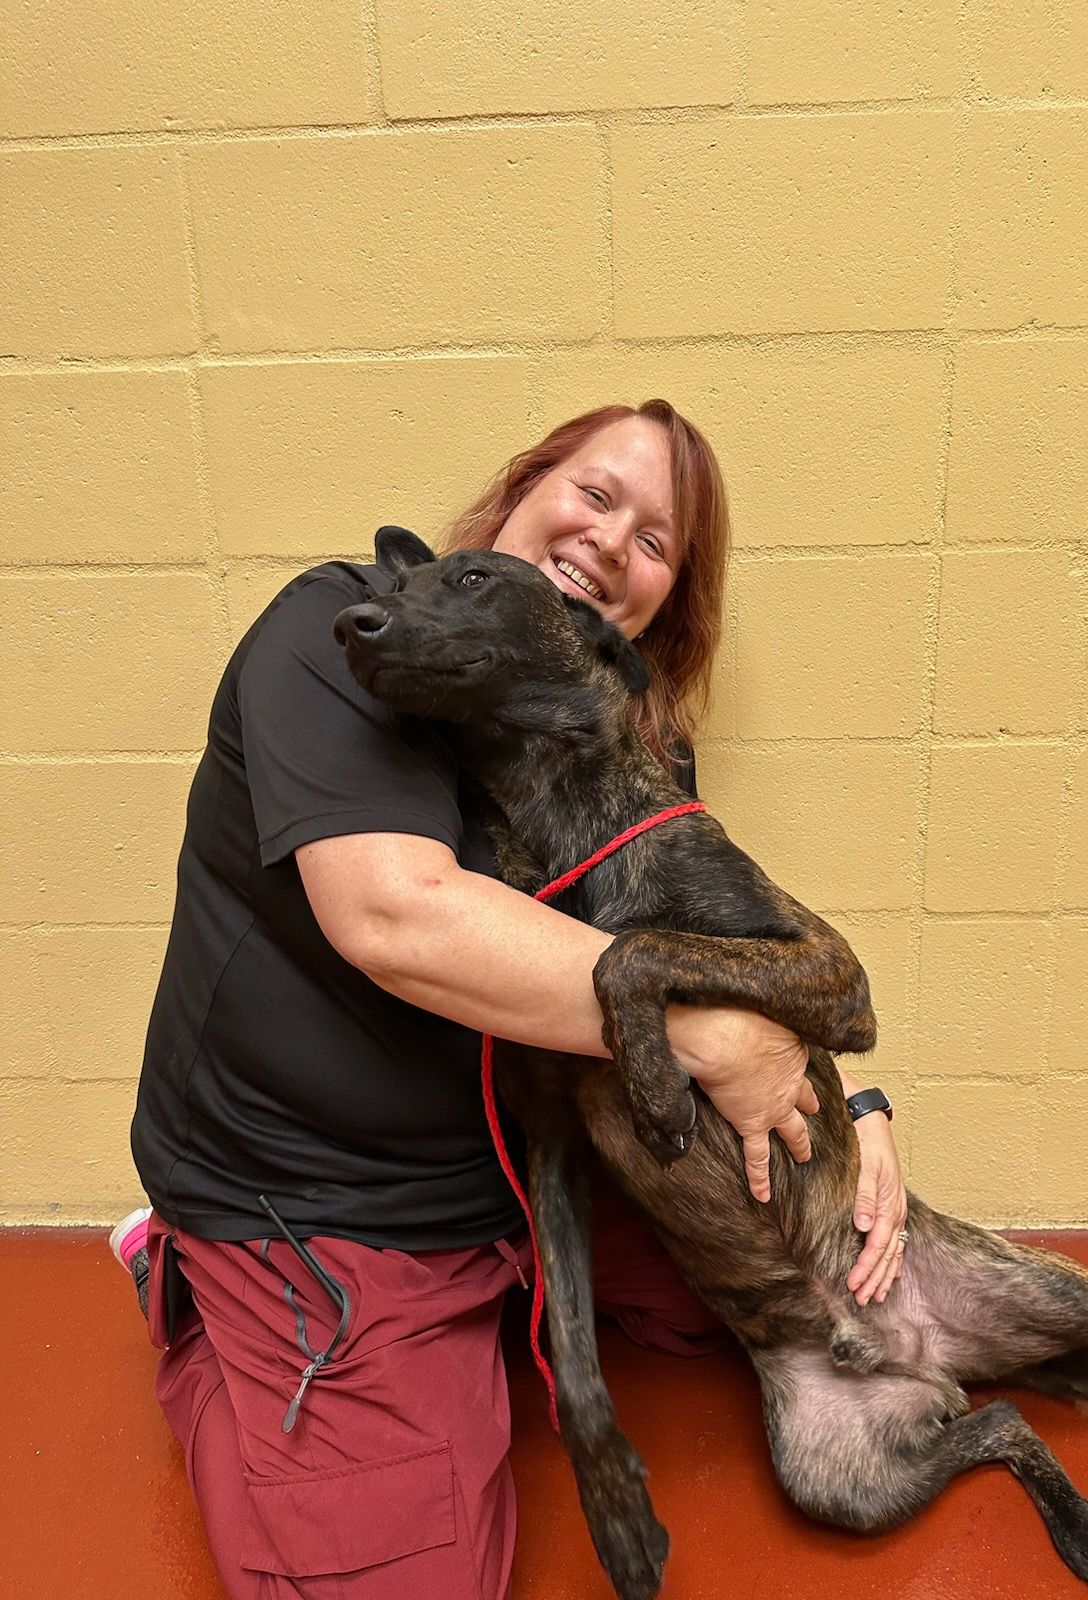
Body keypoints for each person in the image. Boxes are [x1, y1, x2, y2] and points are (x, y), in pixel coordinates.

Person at [116, 400, 908, 1600]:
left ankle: (501, 1301)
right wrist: (704, 1034)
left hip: (535, 1167)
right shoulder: (343, 639)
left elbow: (734, 936)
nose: (611, 541)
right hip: (334, 1198)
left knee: (835, 1269)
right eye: (594, 493)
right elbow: (397, 916)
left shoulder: (623, 743)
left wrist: (849, 1098)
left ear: (664, 601)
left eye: (656, 542)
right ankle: (196, 1286)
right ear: (522, 490)